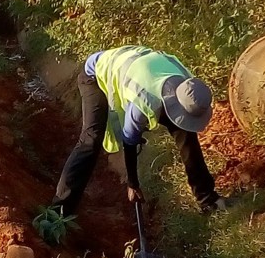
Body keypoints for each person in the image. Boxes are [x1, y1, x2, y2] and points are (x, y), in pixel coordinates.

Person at [46, 45, 226, 218]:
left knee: (186, 135)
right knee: (91, 139)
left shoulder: (188, 85)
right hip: (96, 73)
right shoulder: (144, 99)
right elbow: (129, 140)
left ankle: (206, 198)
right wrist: (133, 184)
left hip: (135, 63)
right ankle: (59, 211)